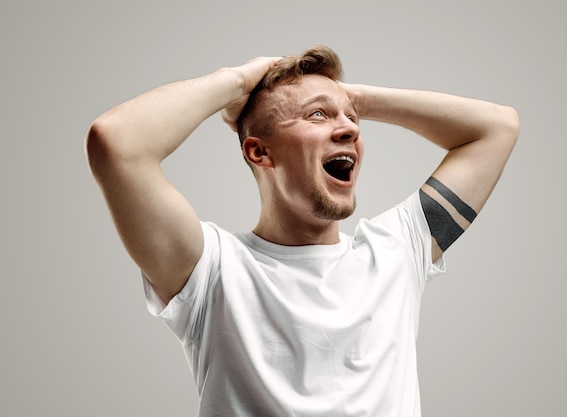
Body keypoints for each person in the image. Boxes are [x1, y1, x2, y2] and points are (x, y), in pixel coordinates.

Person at [86, 45, 519, 416]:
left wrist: (354, 99)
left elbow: (496, 128)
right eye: (317, 116)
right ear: (259, 152)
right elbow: (117, 142)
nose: (349, 129)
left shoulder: (397, 251)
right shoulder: (209, 271)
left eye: (352, 120)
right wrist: (237, 82)